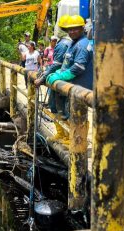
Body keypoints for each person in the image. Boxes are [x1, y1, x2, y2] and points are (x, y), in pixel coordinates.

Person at [40, 15, 93, 144]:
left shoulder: (82, 45)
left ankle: (77, 141)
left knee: (75, 114)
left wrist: (60, 76)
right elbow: (67, 63)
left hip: (79, 87)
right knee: (64, 111)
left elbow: (78, 67)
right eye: (69, 29)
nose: (72, 32)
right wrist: (59, 72)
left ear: (82, 28)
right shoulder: (73, 43)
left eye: (75, 29)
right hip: (70, 86)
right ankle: (65, 135)